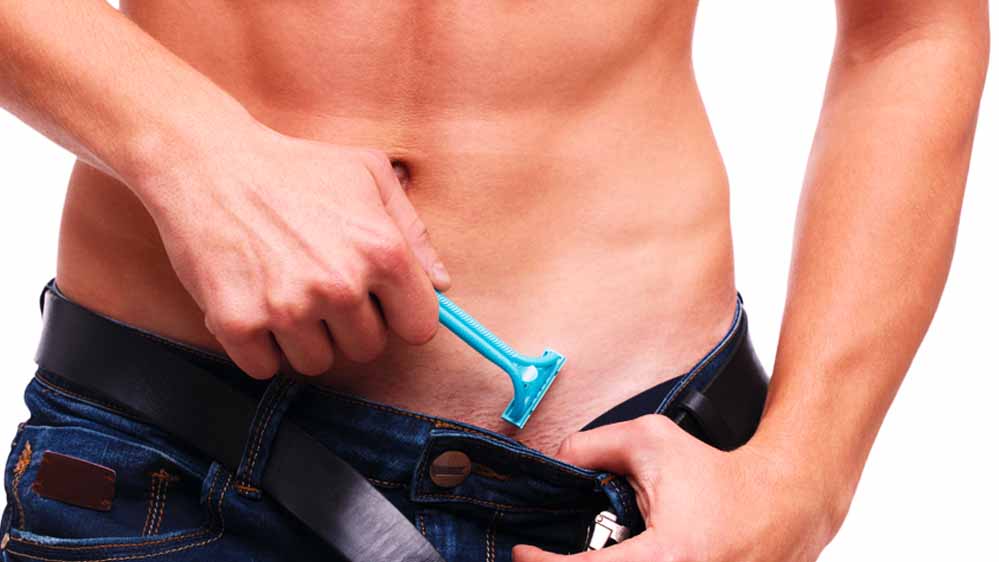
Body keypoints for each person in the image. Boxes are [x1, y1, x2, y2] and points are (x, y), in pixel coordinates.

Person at [0, 2, 989, 561]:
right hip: (171, 456)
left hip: (630, 502)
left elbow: (912, 28)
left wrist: (802, 477)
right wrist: (190, 149)